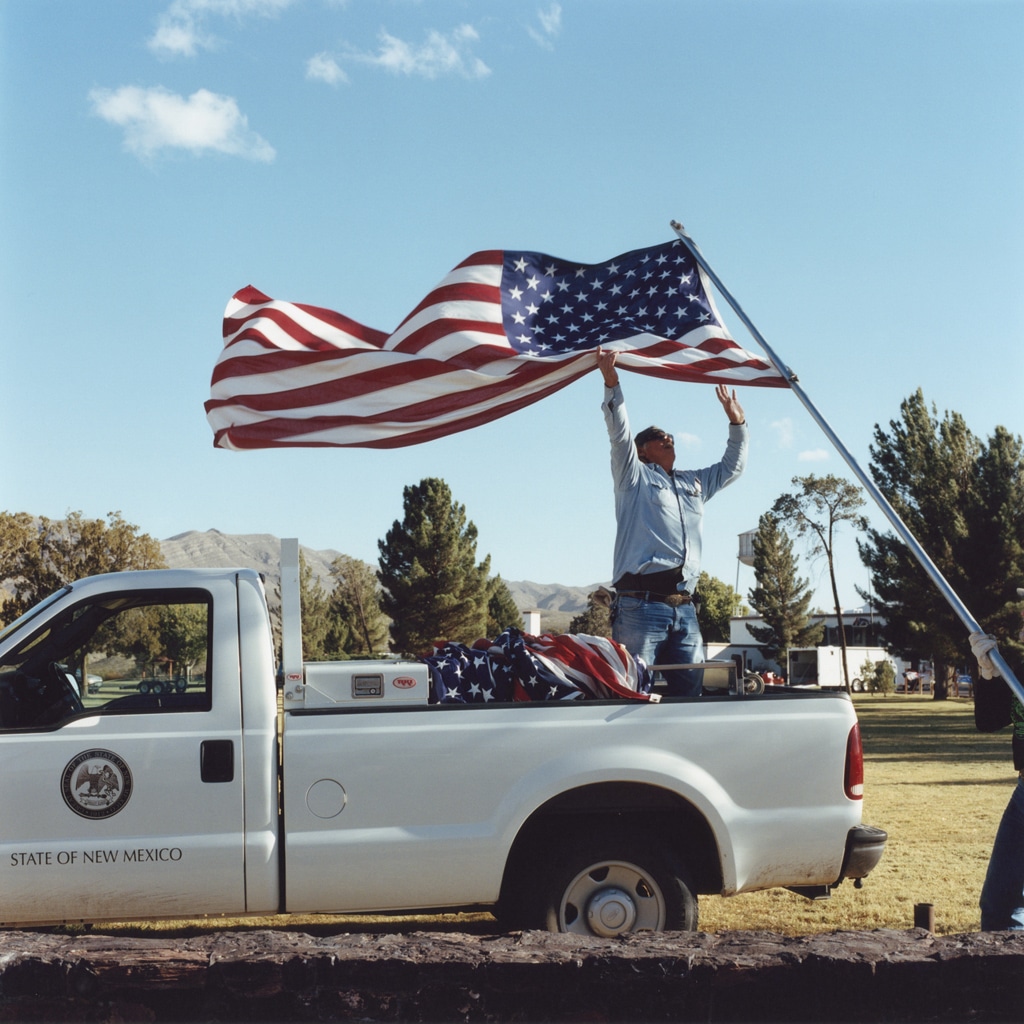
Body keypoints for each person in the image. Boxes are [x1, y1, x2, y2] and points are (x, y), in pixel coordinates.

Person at [598, 348, 748, 696]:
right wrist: (612, 384)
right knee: (633, 691)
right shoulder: (632, 478)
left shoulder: (693, 483)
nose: (668, 439)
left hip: (685, 610)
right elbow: (619, 436)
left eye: (671, 437)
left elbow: (731, 468)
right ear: (643, 450)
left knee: (690, 695)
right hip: (640, 607)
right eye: (658, 437)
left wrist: (737, 423)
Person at [970, 591, 1024, 930]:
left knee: (1011, 912)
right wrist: (987, 673)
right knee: (999, 907)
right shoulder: (1020, 671)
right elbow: (988, 720)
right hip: (1023, 794)